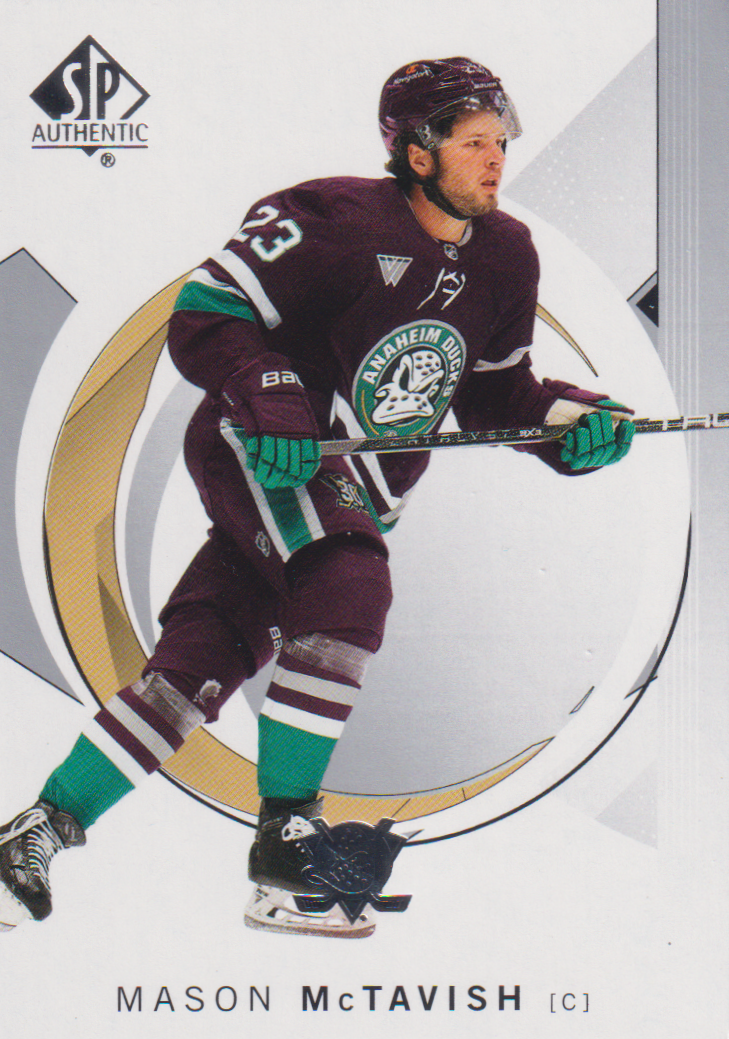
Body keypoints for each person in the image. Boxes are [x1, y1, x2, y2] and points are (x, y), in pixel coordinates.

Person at [0, 57, 634, 939]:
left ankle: (36, 830)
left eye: (500, 141)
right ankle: (288, 839)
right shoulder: (332, 218)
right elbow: (205, 308)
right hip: (266, 451)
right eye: (473, 143)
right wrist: (266, 388)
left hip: (357, 487)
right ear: (417, 151)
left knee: (199, 663)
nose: (496, 159)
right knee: (347, 581)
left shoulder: (506, 254)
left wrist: (571, 422)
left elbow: (495, 393)